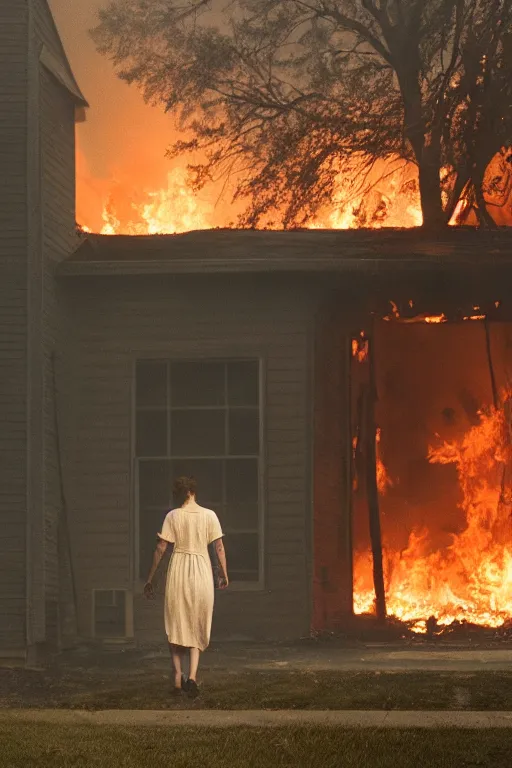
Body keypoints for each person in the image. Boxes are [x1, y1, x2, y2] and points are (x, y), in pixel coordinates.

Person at [144, 476, 228, 697]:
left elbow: (161, 549)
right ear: (194, 492)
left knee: (177, 622)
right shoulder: (209, 515)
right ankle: (192, 677)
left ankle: (177, 678)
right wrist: (224, 574)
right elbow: (219, 547)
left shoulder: (172, 516)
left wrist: (150, 578)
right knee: (196, 621)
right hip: (201, 571)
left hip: (179, 570)